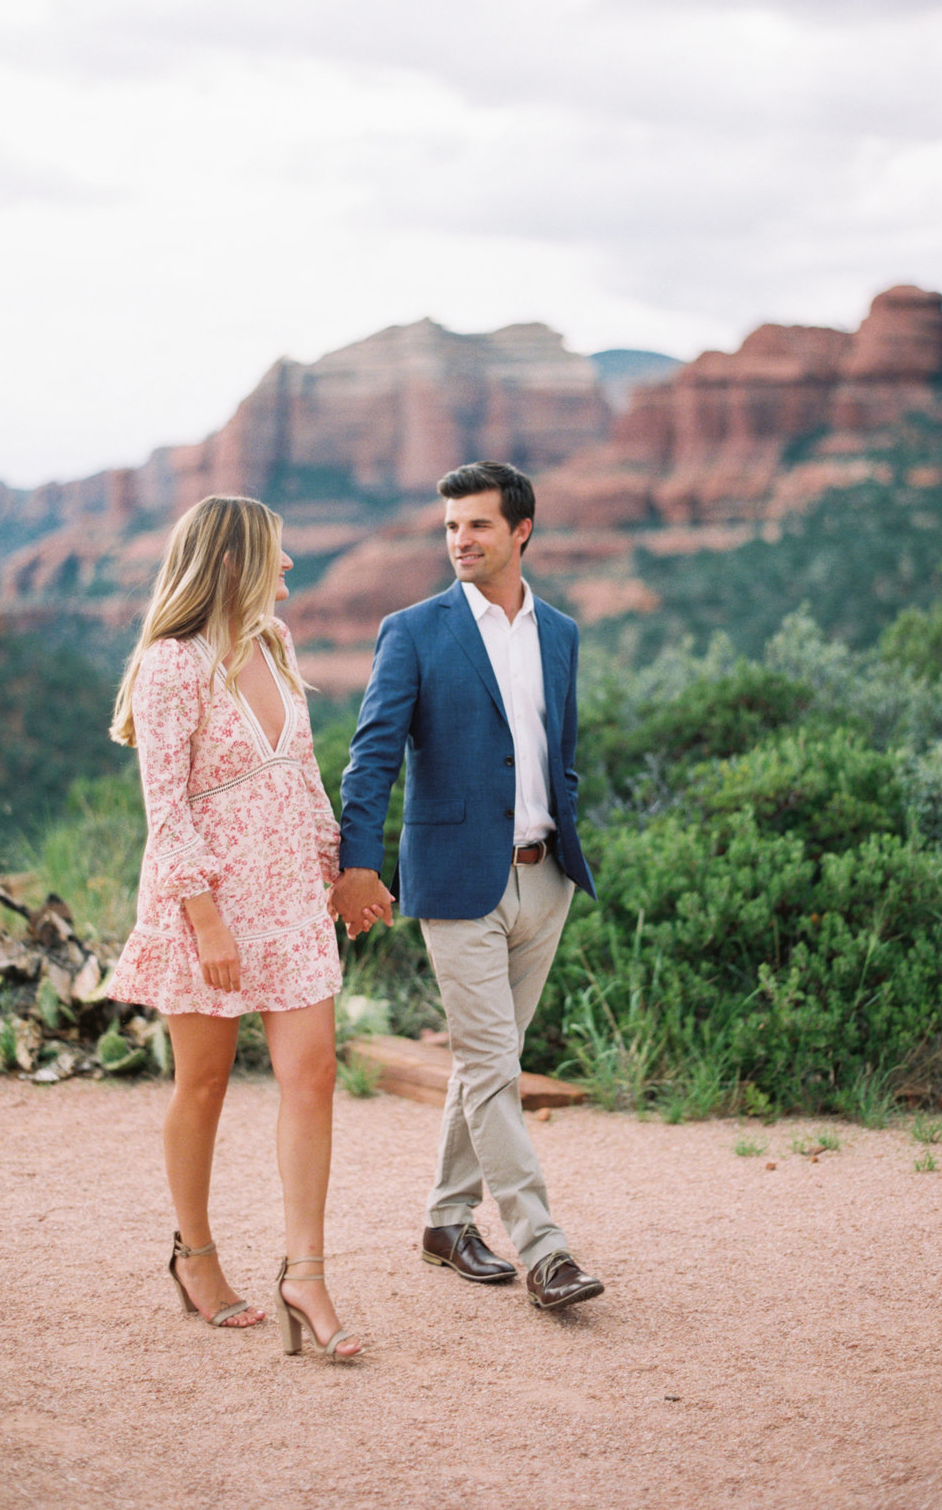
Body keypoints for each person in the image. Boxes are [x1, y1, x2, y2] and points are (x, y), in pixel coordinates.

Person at [328, 461, 605, 1310]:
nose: (460, 541)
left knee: (489, 1064)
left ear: (521, 531)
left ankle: (447, 1220)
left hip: (544, 878)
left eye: (477, 525)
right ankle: (545, 1249)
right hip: (455, 884)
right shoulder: (413, 630)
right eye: (451, 527)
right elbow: (371, 756)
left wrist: (562, 828)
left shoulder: (559, 633)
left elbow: (558, 754)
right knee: (492, 1065)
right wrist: (355, 864)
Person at [108, 494, 366, 1358]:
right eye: (276, 553)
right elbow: (166, 809)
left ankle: (307, 1274)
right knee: (205, 1083)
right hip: (205, 904)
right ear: (232, 560)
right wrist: (206, 919)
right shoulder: (171, 665)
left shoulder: (276, 643)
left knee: (313, 1075)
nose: (289, 567)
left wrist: (339, 871)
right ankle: (195, 1253)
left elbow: (303, 774)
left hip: (291, 897)